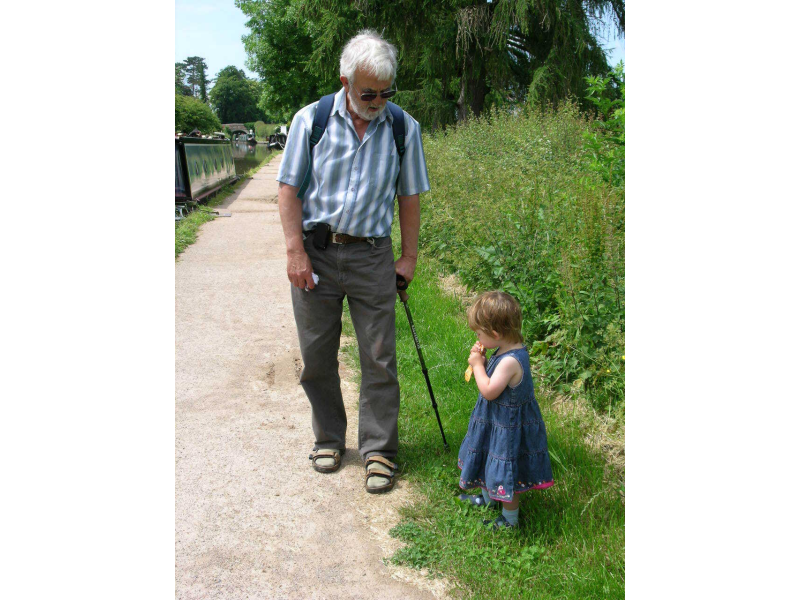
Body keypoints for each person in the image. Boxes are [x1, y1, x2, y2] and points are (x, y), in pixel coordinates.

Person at [276, 29, 430, 494]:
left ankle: (379, 450)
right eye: (369, 93)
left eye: (386, 92)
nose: (378, 101)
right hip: (316, 253)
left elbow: (409, 196)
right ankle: (328, 438)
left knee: (380, 357)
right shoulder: (311, 121)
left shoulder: (404, 128)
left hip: (371, 255)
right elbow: (288, 190)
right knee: (317, 355)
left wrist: (408, 256)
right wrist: (294, 251)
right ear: (345, 81)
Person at [457, 291, 555, 529]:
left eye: (479, 333)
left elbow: (489, 390)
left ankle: (510, 520)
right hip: (494, 422)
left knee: (506, 469)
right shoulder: (503, 349)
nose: (476, 337)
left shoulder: (511, 361)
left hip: (507, 428)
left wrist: (478, 365)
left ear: (495, 334)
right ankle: (488, 499)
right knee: (486, 458)